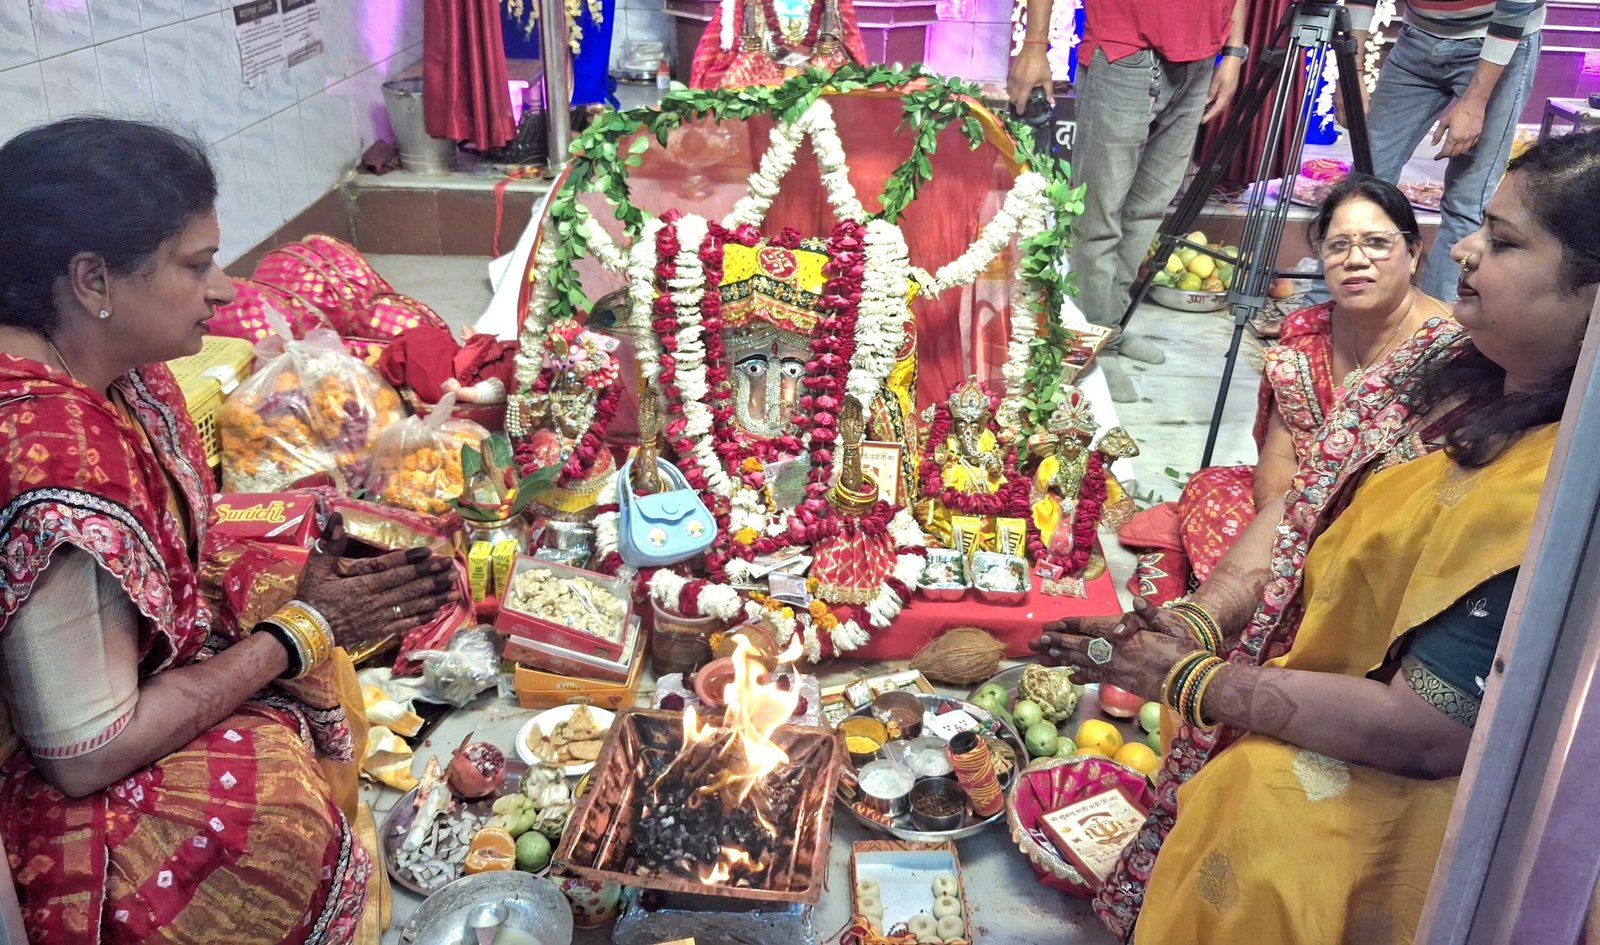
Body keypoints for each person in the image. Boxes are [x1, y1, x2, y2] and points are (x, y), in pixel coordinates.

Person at [1038, 129, 1600, 943]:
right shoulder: (1438, 364)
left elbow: (1427, 731)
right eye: (1481, 225)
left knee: (1258, 815)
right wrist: (1198, 621)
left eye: (1505, 241)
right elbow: (1301, 504)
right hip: (1300, 667)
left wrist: (1193, 679)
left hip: (1433, 781)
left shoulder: (1559, 488)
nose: (1467, 249)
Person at [0, 118, 460, 944]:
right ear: (92, 278)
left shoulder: (113, 371)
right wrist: (298, 633)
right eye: (195, 265)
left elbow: (185, 546)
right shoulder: (52, 455)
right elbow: (84, 756)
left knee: (287, 571)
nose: (223, 289)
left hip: (120, 674)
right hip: (51, 782)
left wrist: (301, 602)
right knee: (270, 813)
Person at [1119, 174, 1456, 602]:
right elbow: (1280, 454)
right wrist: (1289, 536)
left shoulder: (1449, 350)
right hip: (1297, 514)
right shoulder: (1307, 333)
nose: (1355, 259)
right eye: (1338, 246)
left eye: (1376, 243)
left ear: (1413, 253)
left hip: (1384, 536)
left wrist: (1331, 541)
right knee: (1211, 490)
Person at [1007, 0, 1250, 401]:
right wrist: (1034, 45)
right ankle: (1092, 343)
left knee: (1147, 210)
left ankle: (1109, 328)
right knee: (1099, 214)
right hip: (1125, 52)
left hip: (1202, 56)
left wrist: (1234, 52)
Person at [1346, 0, 1544, 302]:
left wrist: (1476, 101)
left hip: (1498, 44)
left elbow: (1516, 5)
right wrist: (1352, 71)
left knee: (1466, 200)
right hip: (1416, 38)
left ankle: (1436, 321)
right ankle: (1330, 307)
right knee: (1363, 183)